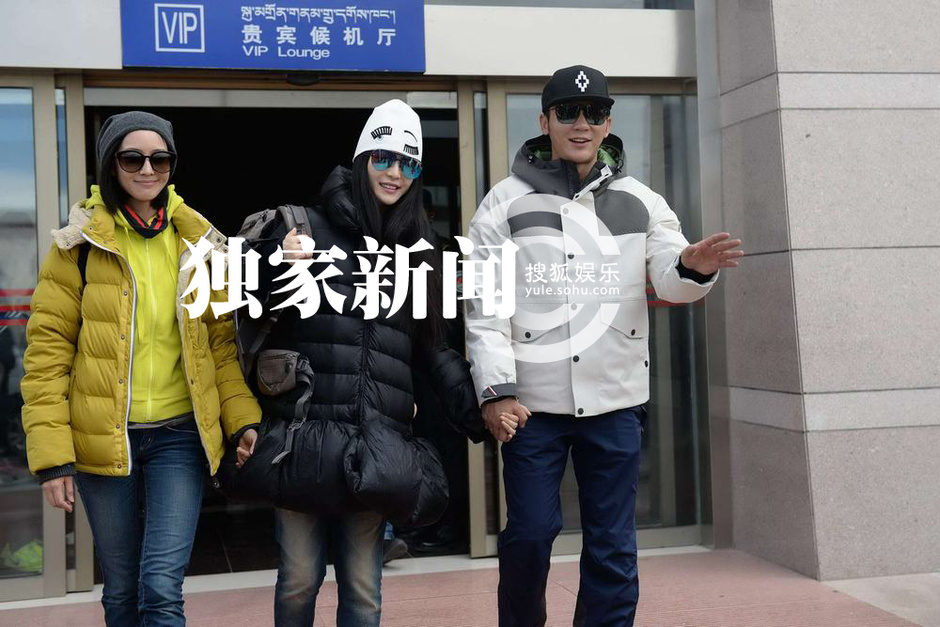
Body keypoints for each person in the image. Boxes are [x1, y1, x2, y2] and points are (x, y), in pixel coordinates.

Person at [464, 65, 744, 626]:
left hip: (616, 400)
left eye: (594, 113)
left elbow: (669, 276)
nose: (581, 124)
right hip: (532, 406)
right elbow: (484, 306)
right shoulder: (504, 202)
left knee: (613, 544)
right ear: (544, 121)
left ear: (608, 123)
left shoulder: (642, 200)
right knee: (530, 534)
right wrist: (497, 392)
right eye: (567, 112)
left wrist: (692, 266)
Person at [235, 99, 483, 626]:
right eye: (383, 158)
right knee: (298, 582)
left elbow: (434, 349)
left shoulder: (421, 251)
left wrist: (482, 407)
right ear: (361, 159)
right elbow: (242, 291)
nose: (395, 173)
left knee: (364, 591)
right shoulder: (306, 228)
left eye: (409, 163)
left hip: (376, 446)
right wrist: (275, 258)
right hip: (303, 439)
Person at [20, 111, 262, 626]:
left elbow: (220, 349)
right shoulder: (78, 246)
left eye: (160, 159)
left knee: (162, 586)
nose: (148, 169)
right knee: (122, 589)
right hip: (103, 437)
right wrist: (52, 459)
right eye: (133, 158)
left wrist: (241, 420)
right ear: (112, 164)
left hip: (180, 436)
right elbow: (47, 356)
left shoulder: (197, 243)